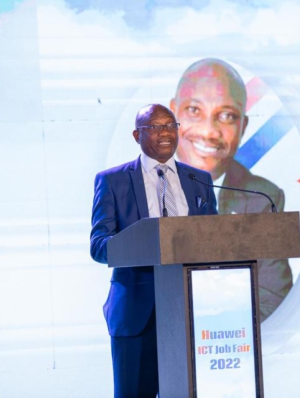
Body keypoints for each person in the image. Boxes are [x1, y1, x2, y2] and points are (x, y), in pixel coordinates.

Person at [90, 104, 217, 398]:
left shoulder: (199, 180)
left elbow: (214, 239)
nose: (165, 133)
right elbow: (99, 246)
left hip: (190, 311)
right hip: (136, 313)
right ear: (137, 135)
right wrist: (145, 242)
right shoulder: (113, 181)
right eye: (156, 127)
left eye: (171, 126)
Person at [170, 58, 293, 322]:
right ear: (172, 115)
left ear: (243, 126)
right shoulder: (137, 188)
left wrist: (215, 333)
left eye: (226, 116)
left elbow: (274, 299)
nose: (209, 131)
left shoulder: (264, 199)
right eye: (194, 110)